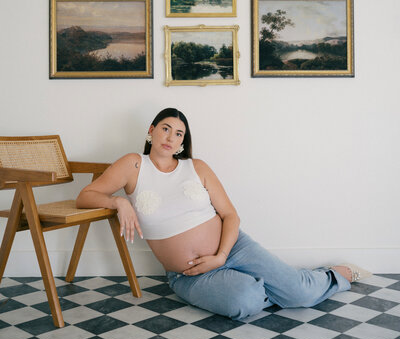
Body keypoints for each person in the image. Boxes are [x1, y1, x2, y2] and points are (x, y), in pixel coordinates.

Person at [76, 107, 371, 321]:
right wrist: (120, 203)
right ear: (151, 130)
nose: (171, 137)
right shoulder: (133, 165)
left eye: (179, 133)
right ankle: (277, 285)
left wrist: (220, 256)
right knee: (244, 303)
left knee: (300, 295)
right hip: (188, 273)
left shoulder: (197, 167)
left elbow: (231, 215)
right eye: (165, 128)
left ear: (182, 142)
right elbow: (85, 196)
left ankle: (332, 276)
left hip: (234, 249)